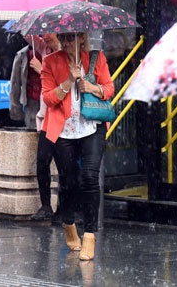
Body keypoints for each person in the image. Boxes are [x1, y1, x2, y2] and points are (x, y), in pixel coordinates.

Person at [40, 32, 114, 260]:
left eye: (71, 37)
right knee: (68, 181)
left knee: (90, 177)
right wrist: (69, 82)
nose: (65, 42)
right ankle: (69, 222)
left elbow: (109, 89)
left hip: (92, 126)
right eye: (62, 37)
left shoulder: (96, 58)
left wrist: (90, 87)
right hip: (64, 130)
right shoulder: (50, 62)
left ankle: (90, 235)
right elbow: (48, 98)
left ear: (82, 37)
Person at [30, 33, 62, 221]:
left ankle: (64, 210)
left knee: (65, 166)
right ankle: (46, 206)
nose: (45, 36)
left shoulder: (67, 55)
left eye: (49, 32)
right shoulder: (44, 50)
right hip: (46, 119)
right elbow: (28, 35)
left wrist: (41, 68)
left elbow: (62, 85)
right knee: (42, 161)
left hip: (62, 119)